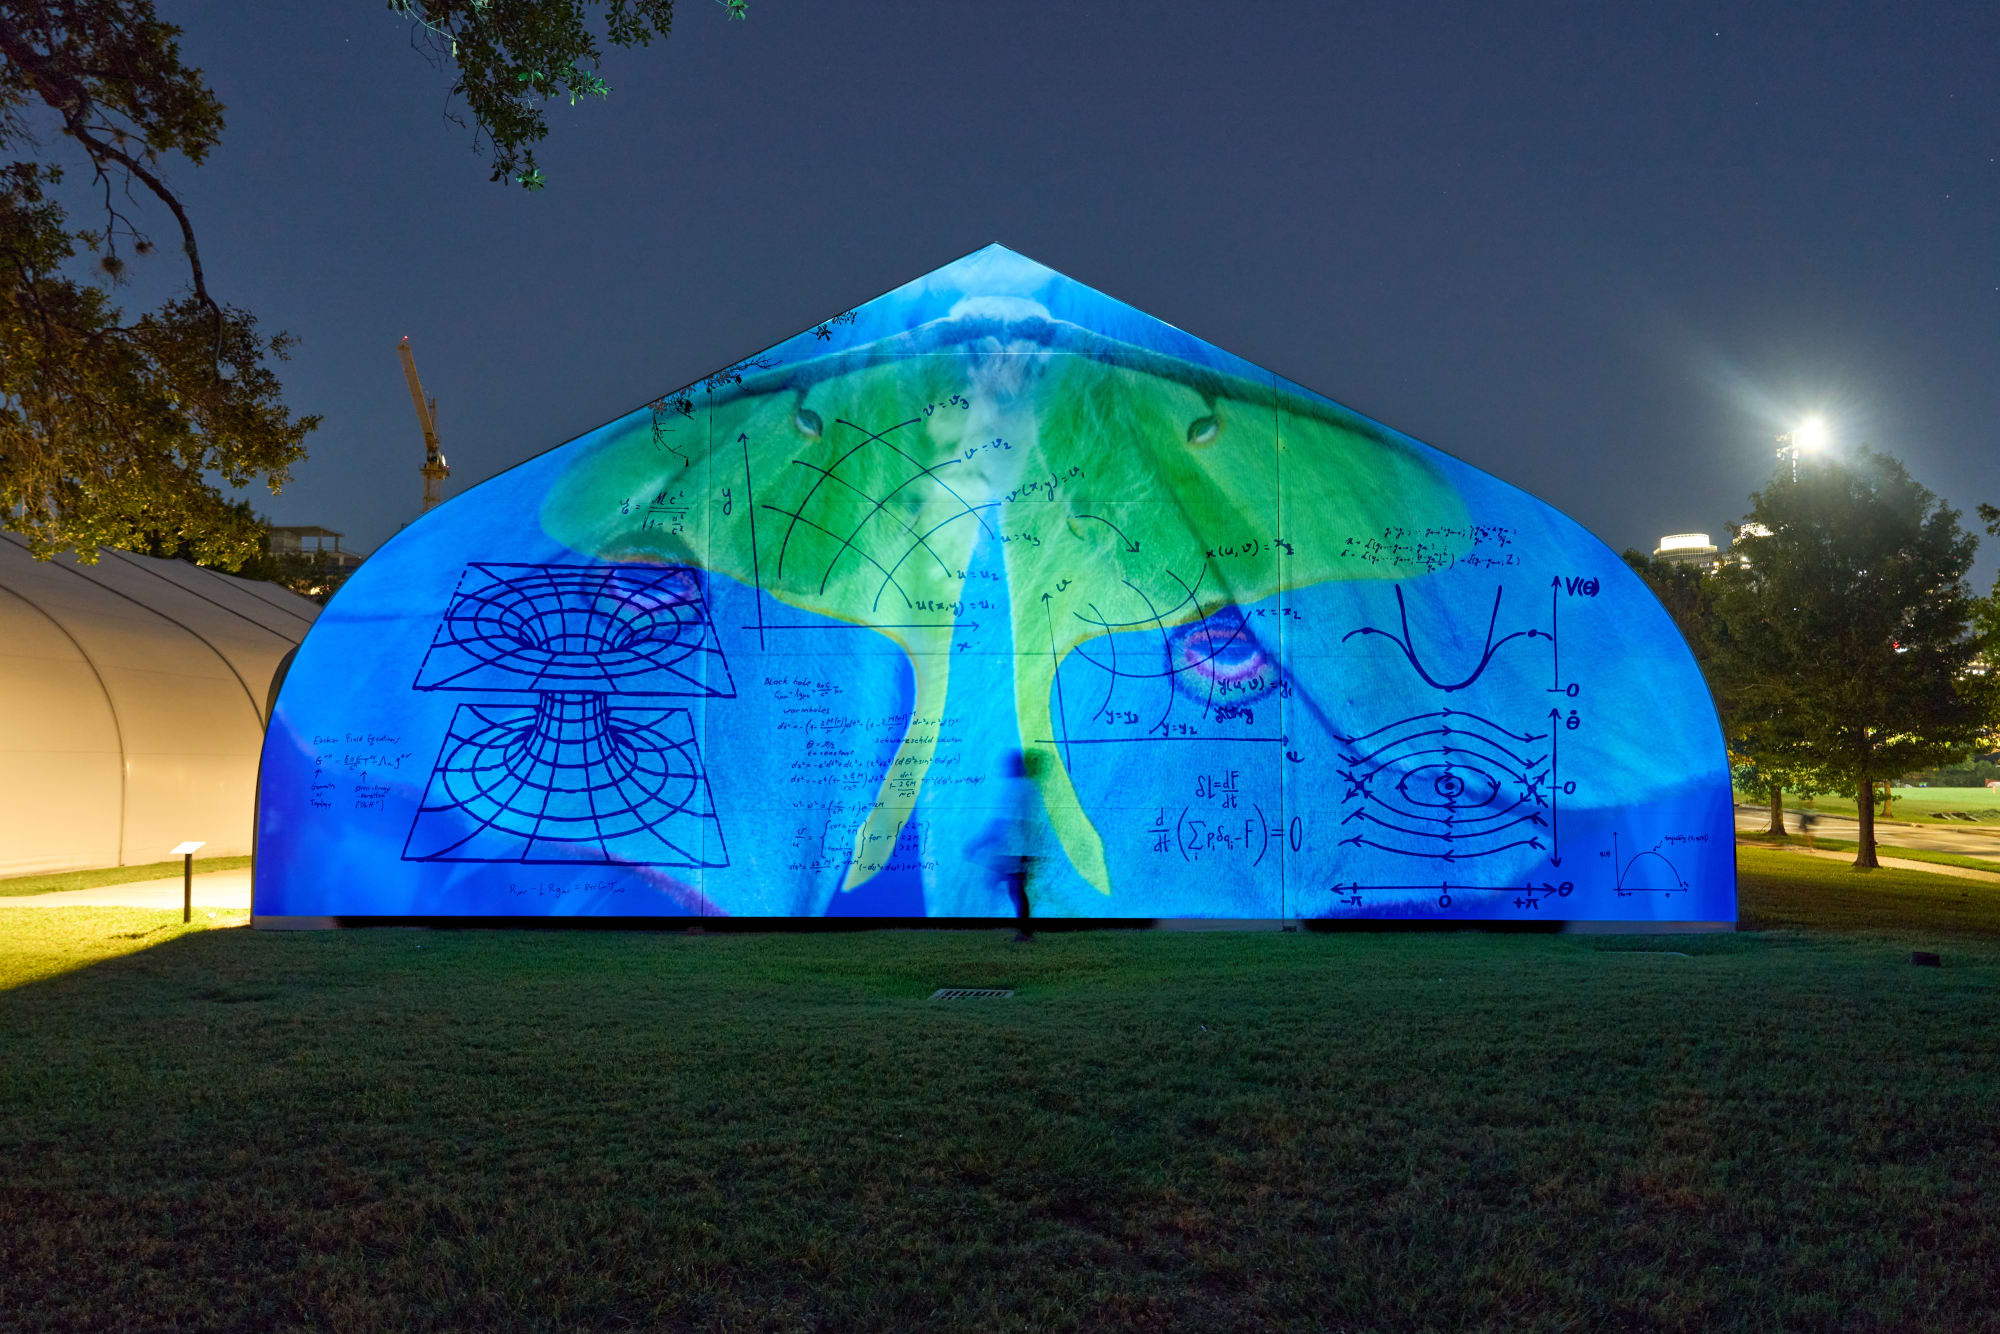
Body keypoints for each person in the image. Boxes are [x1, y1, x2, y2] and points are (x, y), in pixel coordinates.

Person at [971, 749, 1041, 941]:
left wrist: (978, 843)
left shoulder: (1015, 788)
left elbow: (1002, 823)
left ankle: (1021, 931)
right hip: (1019, 850)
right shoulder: (1030, 787)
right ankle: (1023, 931)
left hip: (1013, 850)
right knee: (1013, 888)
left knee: (1005, 886)